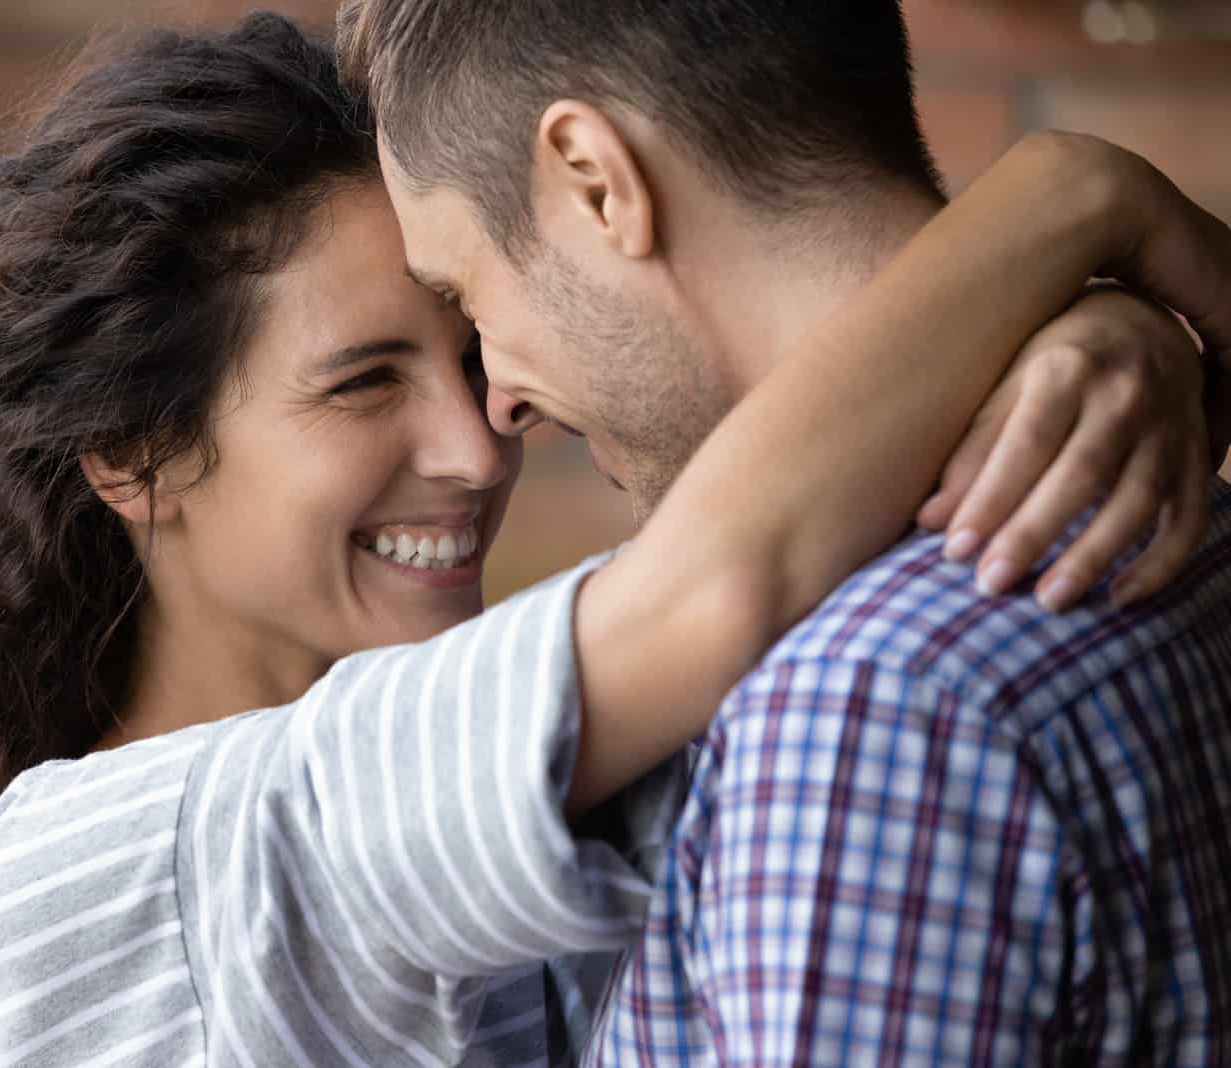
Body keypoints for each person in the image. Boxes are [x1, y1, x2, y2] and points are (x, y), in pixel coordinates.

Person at [0, 13, 1226, 1068]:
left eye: (466, 342)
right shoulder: (100, 877)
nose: (483, 430)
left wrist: (1101, 339)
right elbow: (724, 573)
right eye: (363, 379)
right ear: (133, 456)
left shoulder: (553, 732)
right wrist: (1069, 208)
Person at [338, 0, 1231, 1063]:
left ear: (595, 179)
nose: (498, 411)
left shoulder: (862, 710)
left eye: (467, 293)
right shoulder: (1180, 495)